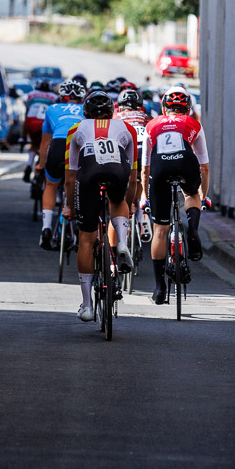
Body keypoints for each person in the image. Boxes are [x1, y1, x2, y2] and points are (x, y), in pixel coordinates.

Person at [64, 90, 136, 322]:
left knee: (86, 238)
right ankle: (122, 243)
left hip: (88, 176)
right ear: (112, 111)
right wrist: (130, 204)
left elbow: (70, 177)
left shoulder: (75, 130)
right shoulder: (128, 129)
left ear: (85, 112)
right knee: (117, 200)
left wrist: (71, 207)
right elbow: (133, 178)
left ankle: (86, 305)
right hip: (117, 172)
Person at [142, 89, 210, 304]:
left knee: (159, 231)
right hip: (186, 164)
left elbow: (145, 169)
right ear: (187, 109)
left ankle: (159, 287)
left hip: (160, 169)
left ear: (163, 108)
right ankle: (193, 229)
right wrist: (203, 196)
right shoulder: (193, 123)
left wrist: (145, 195)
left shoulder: (151, 125)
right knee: (191, 194)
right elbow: (204, 166)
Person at [37, 78, 85, 249]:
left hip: (57, 145)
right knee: (80, 185)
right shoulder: (86, 110)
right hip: (78, 146)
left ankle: (46, 228)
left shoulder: (53, 108)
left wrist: (41, 165)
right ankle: (80, 225)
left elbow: (44, 143)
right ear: (81, 98)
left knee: (50, 185)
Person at [114, 86, 152, 240]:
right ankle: (143, 216)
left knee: (123, 189)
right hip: (143, 151)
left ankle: (126, 210)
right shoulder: (146, 117)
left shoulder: (116, 117)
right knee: (141, 179)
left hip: (125, 152)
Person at [23, 79, 57, 182]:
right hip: (45, 122)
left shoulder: (30, 94)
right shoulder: (55, 97)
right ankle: (44, 166)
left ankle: (29, 164)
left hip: (31, 121)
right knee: (46, 143)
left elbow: (27, 110)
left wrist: (23, 136)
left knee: (34, 144)